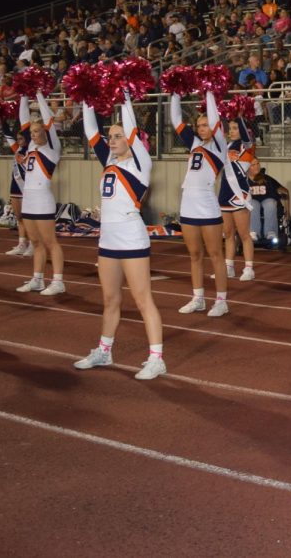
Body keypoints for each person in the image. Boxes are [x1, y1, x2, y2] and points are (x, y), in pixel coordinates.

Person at [73, 93, 165, 380]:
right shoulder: (109, 161)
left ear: (131, 140)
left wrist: (125, 95)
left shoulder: (140, 164)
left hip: (131, 237)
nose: (111, 140)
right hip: (108, 239)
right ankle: (104, 350)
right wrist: (84, 93)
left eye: (117, 136)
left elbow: (132, 126)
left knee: (142, 299)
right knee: (110, 299)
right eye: (110, 136)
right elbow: (90, 131)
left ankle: (156, 358)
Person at [169, 89, 230, 317]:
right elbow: (176, 119)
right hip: (188, 205)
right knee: (195, 255)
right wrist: (175, 91)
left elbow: (216, 122)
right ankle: (198, 298)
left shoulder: (219, 146)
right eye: (199, 125)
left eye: (205, 125)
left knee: (215, 254)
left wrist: (210, 91)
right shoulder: (194, 144)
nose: (201, 128)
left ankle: (222, 301)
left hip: (207, 204)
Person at [14, 92, 66, 296]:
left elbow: (48, 119)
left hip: (43, 200)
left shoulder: (53, 148)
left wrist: (39, 94)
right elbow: (23, 119)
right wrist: (24, 96)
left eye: (37, 131)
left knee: (50, 242)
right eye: (32, 132)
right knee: (35, 243)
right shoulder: (32, 146)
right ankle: (37, 279)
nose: (33, 134)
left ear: (45, 132)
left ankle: (58, 281)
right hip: (28, 200)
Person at [219, 115, 256, 282]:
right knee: (227, 234)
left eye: (235, 128)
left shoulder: (248, 146)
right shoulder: (226, 146)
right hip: (225, 193)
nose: (232, 131)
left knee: (244, 234)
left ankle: (249, 268)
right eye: (231, 128)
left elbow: (246, 136)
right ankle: (229, 267)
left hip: (239, 194)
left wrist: (240, 114)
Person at [2, 122, 32, 257]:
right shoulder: (17, 149)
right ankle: (22, 243)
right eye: (18, 139)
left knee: (29, 217)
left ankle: (32, 244)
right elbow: (7, 133)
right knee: (19, 217)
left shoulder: (31, 150)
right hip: (15, 186)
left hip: (27, 187)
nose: (18, 141)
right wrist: (2, 117)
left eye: (21, 138)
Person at [246, 159, 290, 247]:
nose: (257, 166)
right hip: (252, 204)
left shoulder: (266, 179)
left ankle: (270, 232)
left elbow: (285, 192)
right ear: (247, 168)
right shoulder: (244, 180)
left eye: (258, 163)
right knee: (253, 204)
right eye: (253, 165)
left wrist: (288, 213)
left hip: (267, 202)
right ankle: (254, 232)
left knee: (270, 203)